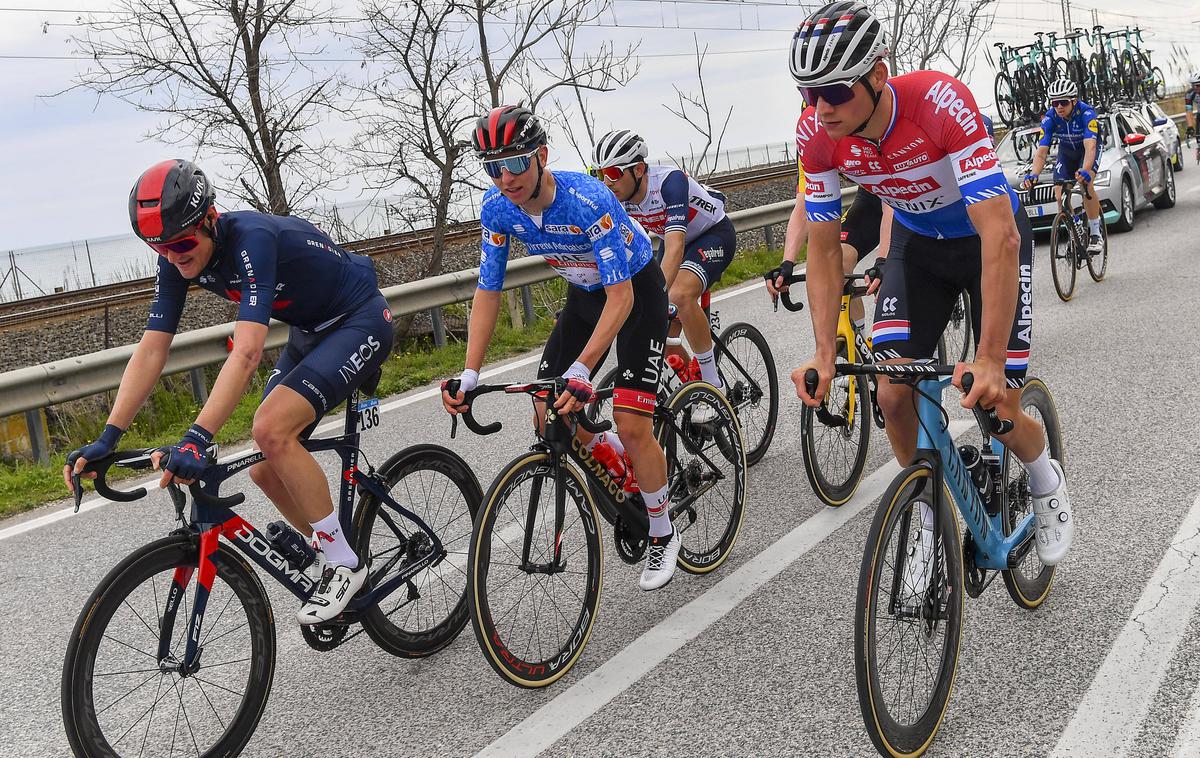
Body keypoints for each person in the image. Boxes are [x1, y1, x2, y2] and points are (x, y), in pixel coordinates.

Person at [788, 1, 1073, 569]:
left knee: (998, 400)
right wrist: (823, 351)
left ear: (876, 74)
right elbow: (823, 249)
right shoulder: (817, 133)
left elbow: (999, 233)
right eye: (807, 93)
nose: (821, 109)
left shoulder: (941, 104)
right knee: (892, 394)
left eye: (835, 92)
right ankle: (925, 510)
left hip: (986, 241)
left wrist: (989, 357)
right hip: (918, 246)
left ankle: (1045, 478)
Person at [64, 159, 393, 624]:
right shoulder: (176, 260)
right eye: (157, 245)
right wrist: (108, 437)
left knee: (272, 430)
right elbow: (153, 349)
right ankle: (332, 552)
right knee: (263, 466)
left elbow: (247, 352)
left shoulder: (251, 239)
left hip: (359, 319)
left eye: (180, 242)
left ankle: (345, 565)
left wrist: (198, 437)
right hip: (310, 331)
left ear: (210, 220)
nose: (174, 255)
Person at [441, 106, 680, 591]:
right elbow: (488, 291)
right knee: (546, 410)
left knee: (634, 423)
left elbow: (622, 298)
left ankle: (662, 529)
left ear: (541, 156)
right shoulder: (497, 208)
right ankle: (611, 458)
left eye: (513, 164)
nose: (504, 178)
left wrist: (584, 368)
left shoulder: (588, 199)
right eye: (492, 167)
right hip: (584, 295)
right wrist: (469, 372)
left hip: (635, 291)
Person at [590, 130, 734, 419]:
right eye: (599, 173)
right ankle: (691, 380)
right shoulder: (615, 198)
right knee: (659, 326)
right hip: (669, 242)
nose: (607, 181)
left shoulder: (669, 183)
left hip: (711, 235)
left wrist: (657, 297)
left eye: (614, 172)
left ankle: (712, 383)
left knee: (677, 295)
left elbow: (677, 245)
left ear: (639, 169)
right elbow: (612, 253)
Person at [1023, 79, 1104, 255]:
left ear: (1074, 101)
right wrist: (1033, 174)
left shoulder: (1087, 114)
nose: (1059, 107)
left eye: (1064, 102)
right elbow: (1042, 151)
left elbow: (1090, 146)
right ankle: (1074, 231)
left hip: (1087, 150)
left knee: (1086, 184)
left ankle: (1096, 235)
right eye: (1055, 103)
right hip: (1066, 152)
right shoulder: (1050, 118)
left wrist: (1085, 170)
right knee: (1059, 194)